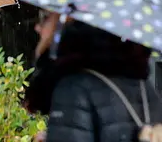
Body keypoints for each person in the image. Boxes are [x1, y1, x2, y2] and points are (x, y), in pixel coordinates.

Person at [25, 11, 162, 141]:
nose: (38, 27)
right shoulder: (143, 87)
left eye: (46, 17)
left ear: (67, 21)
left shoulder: (73, 88)